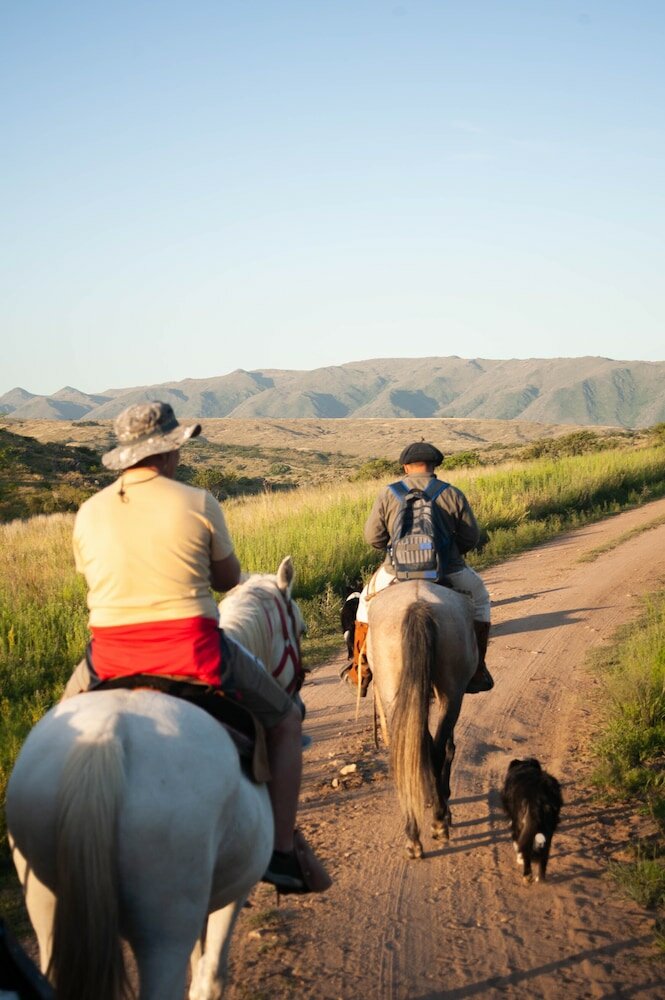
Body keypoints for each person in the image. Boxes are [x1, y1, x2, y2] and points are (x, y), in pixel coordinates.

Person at [62, 400, 329, 895]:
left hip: (109, 654)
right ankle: (281, 852)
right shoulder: (196, 501)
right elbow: (228, 580)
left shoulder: (89, 510)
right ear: (169, 450)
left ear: (126, 456)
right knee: (286, 721)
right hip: (193, 651)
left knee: (59, 732)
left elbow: (93, 575)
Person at [345, 440, 493, 694]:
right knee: (481, 599)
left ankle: (360, 671)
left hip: (395, 570)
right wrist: (449, 555)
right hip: (448, 568)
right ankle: (477, 669)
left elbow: (373, 538)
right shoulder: (452, 493)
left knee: (364, 608)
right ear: (434, 466)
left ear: (405, 467)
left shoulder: (388, 493)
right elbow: (471, 537)